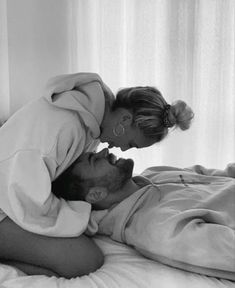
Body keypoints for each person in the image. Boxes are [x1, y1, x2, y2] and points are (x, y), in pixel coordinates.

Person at [0, 72, 194, 277]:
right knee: (83, 260)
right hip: (7, 203)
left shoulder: (91, 121)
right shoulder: (63, 127)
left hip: (14, 196)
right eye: (131, 144)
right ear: (126, 120)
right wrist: (85, 217)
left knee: (85, 254)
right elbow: (28, 203)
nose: (124, 151)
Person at [52, 148, 235, 281]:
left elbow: (221, 175)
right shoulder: (156, 226)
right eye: (94, 160)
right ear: (96, 194)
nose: (105, 151)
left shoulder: (154, 174)